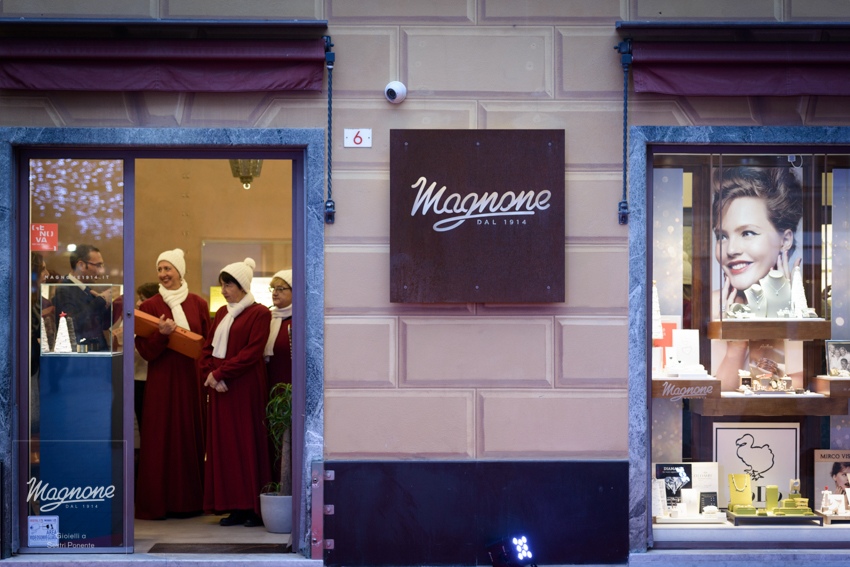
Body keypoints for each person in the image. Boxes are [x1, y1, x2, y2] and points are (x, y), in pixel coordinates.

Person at [711, 167, 804, 390]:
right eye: (722, 236)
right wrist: (737, 344)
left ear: (785, 240)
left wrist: (776, 311)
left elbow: (795, 390)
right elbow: (716, 396)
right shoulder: (713, 306)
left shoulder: (796, 306)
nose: (731, 249)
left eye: (748, 233)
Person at [134, 249, 209, 520]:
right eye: (160, 269)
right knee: (161, 438)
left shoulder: (198, 303)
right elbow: (146, 351)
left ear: (180, 271)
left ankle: (190, 501)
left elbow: (206, 344)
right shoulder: (149, 306)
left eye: (168, 269)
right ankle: (160, 503)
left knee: (189, 436)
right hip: (162, 382)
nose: (164, 274)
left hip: (192, 381)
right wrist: (162, 336)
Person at [200, 257, 272, 527]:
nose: (224, 290)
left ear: (242, 286)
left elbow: (252, 352)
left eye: (228, 285)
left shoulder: (260, 313)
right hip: (222, 390)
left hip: (244, 388)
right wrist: (211, 374)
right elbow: (207, 348)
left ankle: (252, 507)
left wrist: (220, 374)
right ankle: (233, 506)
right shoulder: (221, 313)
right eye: (222, 285)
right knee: (225, 448)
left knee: (246, 443)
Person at [52, 244, 115, 351]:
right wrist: (100, 301)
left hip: (93, 352)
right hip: (81, 353)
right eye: (98, 265)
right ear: (81, 265)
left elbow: (102, 324)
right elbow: (71, 324)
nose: (101, 270)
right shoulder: (64, 289)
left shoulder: (85, 289)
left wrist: (107, 303)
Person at [133, 282, 159, 433]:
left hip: (151, 378)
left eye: (142, 299)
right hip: (137, 378)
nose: (138, 303)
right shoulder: (135, 319)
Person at [265, 269, 293, 390]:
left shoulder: (301, 320)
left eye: (280, 289)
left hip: (291, 385)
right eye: (273, 288)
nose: (275, 293)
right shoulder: (268, 318)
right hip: (270, 383)